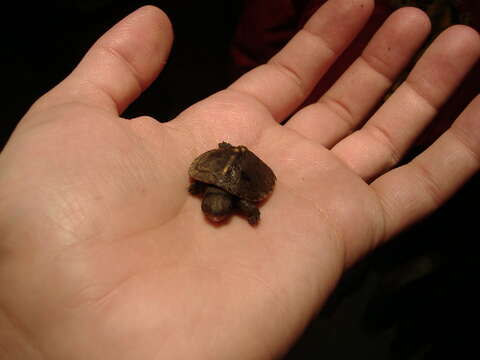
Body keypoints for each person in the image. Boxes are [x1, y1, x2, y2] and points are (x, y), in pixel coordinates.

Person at [0, 0, 478, 358]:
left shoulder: (226, 190)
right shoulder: (205, 184)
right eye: (214, 207)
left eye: (215, 207)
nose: (212, 211)